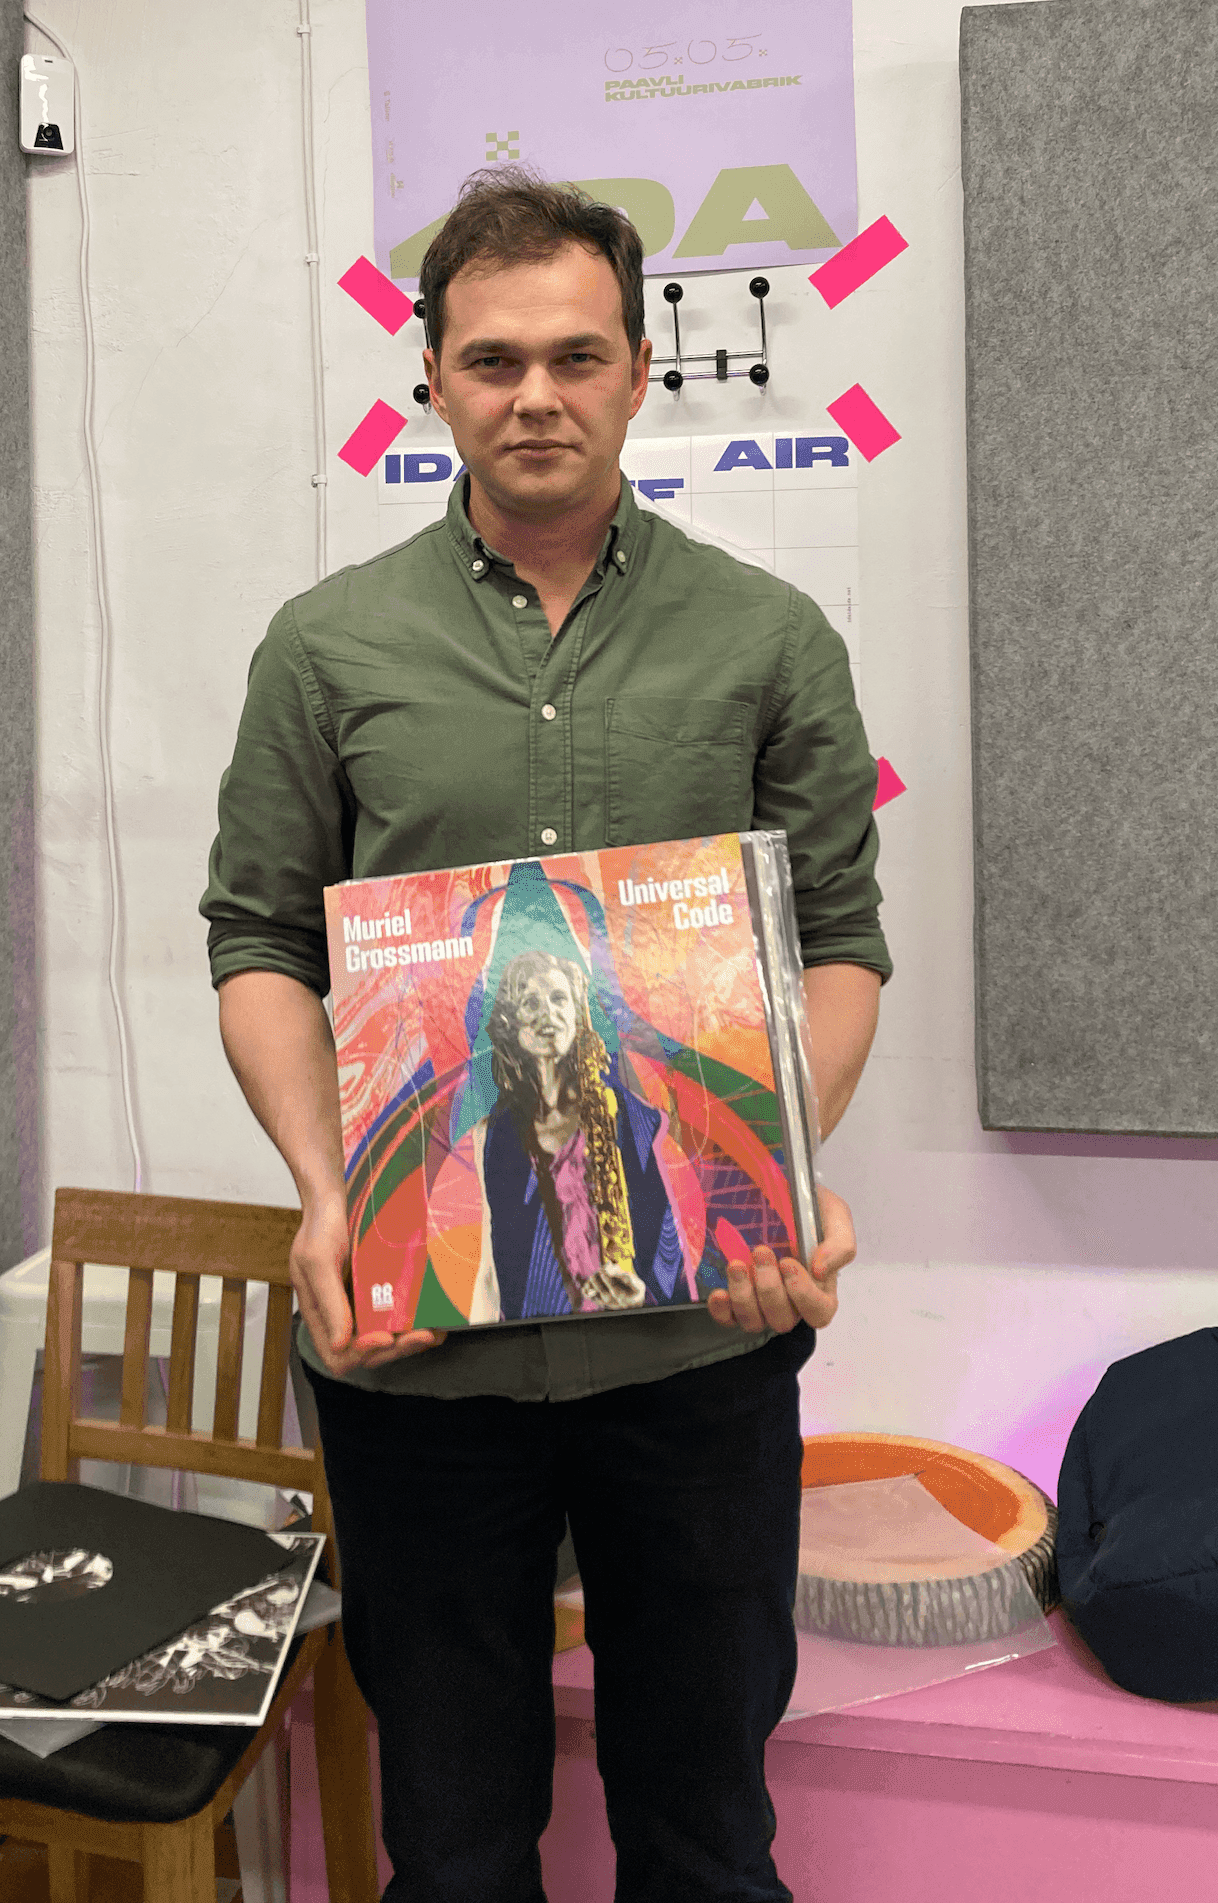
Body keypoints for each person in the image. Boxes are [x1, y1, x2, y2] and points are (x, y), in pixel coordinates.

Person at [202, 167, 891, 1903]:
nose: (535, 395)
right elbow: (261, 943)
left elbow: (836, 945)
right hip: (419, 1348)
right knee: (449, 1846)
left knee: (707, 1837)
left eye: (576, 356)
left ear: (640, 373)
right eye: (493, 359)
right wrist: (327, 1190)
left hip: (697, 1343)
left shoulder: (766, 638)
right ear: (429, 378)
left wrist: (772, 1170)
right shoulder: (325, 648)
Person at [470, 945, 686, 1322]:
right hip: (534, 1335)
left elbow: (667, 1235)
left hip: (629, 1325)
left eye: (558, 999)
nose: (547, 1014)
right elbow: (491, 1265)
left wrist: (642, 1297)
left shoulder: (628, 1113)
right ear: (510, 1023)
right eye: (530, 1003)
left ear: (577, 1013)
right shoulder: (491, 1135)